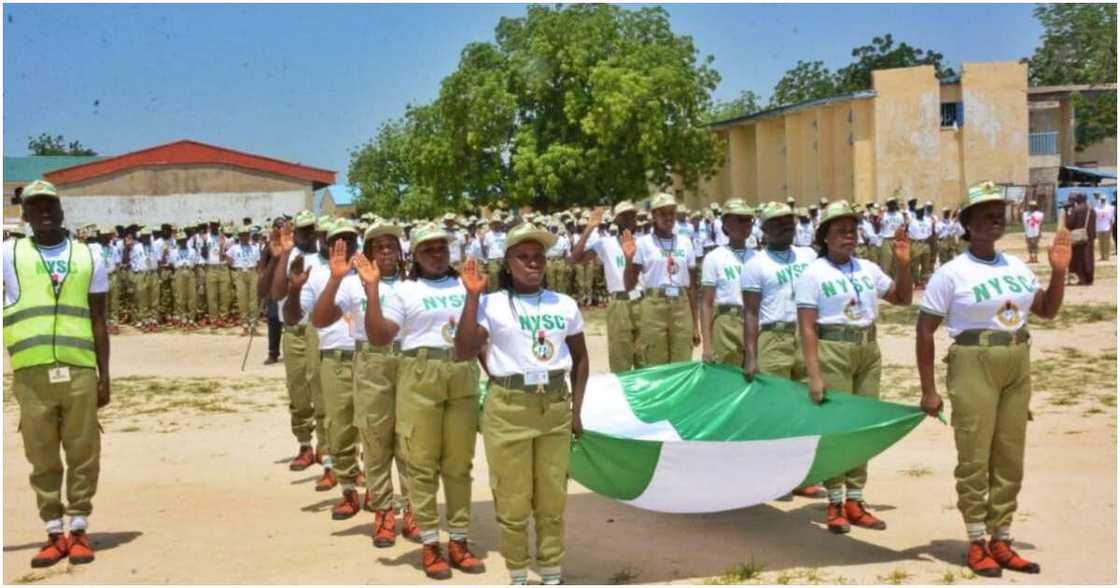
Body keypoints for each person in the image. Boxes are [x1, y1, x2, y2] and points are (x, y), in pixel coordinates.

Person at [916, 180, 1070, 577]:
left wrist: (1058, 273)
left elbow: (1047, 311)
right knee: (974, 455)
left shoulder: (1016, 266)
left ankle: (1002, 537)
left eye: (999, 212)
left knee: (1009, 454)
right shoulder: (951, 273)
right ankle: (977, 539)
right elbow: (924, 330)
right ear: (967, 222)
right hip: (972, 362)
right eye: (984, 212)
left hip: (1017, 361)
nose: (994, 217)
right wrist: (929, 390)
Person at [456, 224, 589, 586]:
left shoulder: (564, 304)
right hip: (509, 408)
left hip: (554, 407)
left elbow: (580, 359)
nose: (533, 264)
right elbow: (464, 350)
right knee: (513, 500)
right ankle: (517, 573)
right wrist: (471, 299)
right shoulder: (492, 303)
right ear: (508, 263)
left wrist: (576, 411)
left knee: (551, 498)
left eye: (539, 258)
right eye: (524, 258)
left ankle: (551, 573)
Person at [3, 180, 110, 567]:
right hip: (31, 375)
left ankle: (79, 528)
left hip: (79, 369)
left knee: (84, 452)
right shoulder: (8, 254)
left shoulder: (89, 255)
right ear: (26, 215)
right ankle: (53, 531)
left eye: (50, 205)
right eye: (36, 207)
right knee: (42, 455)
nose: (44, 212)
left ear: (62, 211)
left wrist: (104, 375)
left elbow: (99, 319)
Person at [369, 222, 484, 579]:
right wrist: (372, 291)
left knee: (458, 463)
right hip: (420, 374)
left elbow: (480, 334)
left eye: (442, 248)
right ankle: (431, 543)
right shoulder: (404, 290)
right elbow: (379, 336)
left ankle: (460, 540)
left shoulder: (466, 283)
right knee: (421, 463)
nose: (437, 254)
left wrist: (475, 295)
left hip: (461, 372)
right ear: (414, 256)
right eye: (428, 249)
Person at [794, 200, 911, 534]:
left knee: (863, 427)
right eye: (840, 231)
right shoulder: (813, 274)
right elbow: (807, 328)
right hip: (833, 349)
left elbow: (903, 299)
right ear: (825, 237)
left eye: (852, 230)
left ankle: (856, 499)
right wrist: (814, 374)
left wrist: (903, 266)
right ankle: (834, 501)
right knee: (836, 427)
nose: (849, 236)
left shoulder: (868, 269)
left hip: (867, 350)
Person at [315, 220, 421, 546]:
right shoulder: (351, 285)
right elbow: (319, 319)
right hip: (371, 364)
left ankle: (414, 511)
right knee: (375, 439)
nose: (386, 252)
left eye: (391, 245)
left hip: (407, 362)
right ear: (369, 252)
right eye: (379, 246)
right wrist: (335, 278)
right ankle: (384, 512)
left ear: (401, 252)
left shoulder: (412, 287)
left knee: (410, 440)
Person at [271, 213, 332, 485]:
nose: (308, 236)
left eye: (313, 231)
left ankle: (327, 450)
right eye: (303, 231)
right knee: (297, 390)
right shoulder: (287, 256)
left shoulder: (325, 260)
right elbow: (273, 294)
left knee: (321, 391)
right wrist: (282, 256)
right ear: (294, 233)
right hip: (292, 332)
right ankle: (305, 444)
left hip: (317, 332)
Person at [623, 192, 699, 365]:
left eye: (671, 213)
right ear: (653, 216)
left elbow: (692, 287)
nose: (668, 218)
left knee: (682, 361)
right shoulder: (643, 243)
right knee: (655, 360)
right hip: (654, 305)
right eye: (662, 213)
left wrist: (696, 324)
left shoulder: (685, 242)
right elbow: (629, 285)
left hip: (681, 305)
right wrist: (629, 259)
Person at [568, 202, 642, 371]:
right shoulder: (606, 243)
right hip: (619, 304)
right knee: (620, 359)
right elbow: (574, 259)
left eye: (633, 215)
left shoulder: (645, 242)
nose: (630, 219)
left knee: (645, 358)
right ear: (617, 220)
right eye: (625, 216)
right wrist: (589, 228)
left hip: (643, 302)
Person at [700, 199, 755, 366]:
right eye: (739, 220)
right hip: (726, 324)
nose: (745, 225)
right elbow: (707, 303)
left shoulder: (758, 258)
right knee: (727, 380)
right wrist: (707, 345)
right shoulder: (714, 257)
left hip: (752, 321)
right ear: (726, 224)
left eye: (748, 220)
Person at [228, 225, 261, 336]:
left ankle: (253, 324)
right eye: (242, 235)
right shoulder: (234, 248)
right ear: (239, 237)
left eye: (246, 235)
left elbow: (258, 263)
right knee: (242, 299)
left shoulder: (255, 248)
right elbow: (228, 259)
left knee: (253, 299)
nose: (244, 237)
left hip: (252, 272)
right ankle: (245, 324)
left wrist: (258, 274)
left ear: (249, 236)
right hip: (240, 272)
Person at [169, 231, 200, 328]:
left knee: (192, 296)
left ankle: (191, 318)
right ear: (177, 242)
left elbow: (195, 264)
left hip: (190, 271)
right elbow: (172, 264)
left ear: (186, 240)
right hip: (179, 271)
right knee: (180, 296)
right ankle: (183, 317)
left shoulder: (192, 251)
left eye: (184, 240)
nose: (182, 242)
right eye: (180, 241)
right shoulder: (173, 252)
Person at [1065, 193, 1095, 285]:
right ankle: (1088, 278)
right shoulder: (1092, 210)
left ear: (1079, 199)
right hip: (1089, 238)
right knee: (1089, 258)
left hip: (1078, 238)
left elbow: (1069, 225)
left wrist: (1067, 213)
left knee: (1078, 259)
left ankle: (1080, 278)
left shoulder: (1076, 210)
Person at [877, 196, 907, 279]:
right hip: (887, 239)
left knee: (896, 263)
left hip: (897, 240)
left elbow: (903, 227)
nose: (892, 205)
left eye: (893, 203)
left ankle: (895, 283)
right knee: (886, 263)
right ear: (888, 205)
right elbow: (877, 228)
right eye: (890, 204)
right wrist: (878, 219)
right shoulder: (884, 215)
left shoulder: (899, 215)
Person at [907, 203, 934, 287]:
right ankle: (916, 281)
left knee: (926, 264)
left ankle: (924, 281)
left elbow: (930, 232)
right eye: (919, 211)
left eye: (922, 211)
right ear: (916, 212)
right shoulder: (913, 222)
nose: (921, 212)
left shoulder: (928, 221)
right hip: (916, 243)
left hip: (925, 243)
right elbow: (910, 234)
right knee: (915, 264)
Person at [1094, 193, 1114, 261]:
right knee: (1100, 242)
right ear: (1100, 199)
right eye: (1101, 199)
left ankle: (1107, 256)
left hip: (1107, 227)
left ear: (1106, 199)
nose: (1102, 200)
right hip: (1099, 228)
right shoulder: (1096, 208)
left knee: (1107, 242)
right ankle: (1102, 256)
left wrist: (1111, 227)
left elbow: (1111, 218)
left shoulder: (1110, 207)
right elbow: (1095, 218)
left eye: (1104, 199)